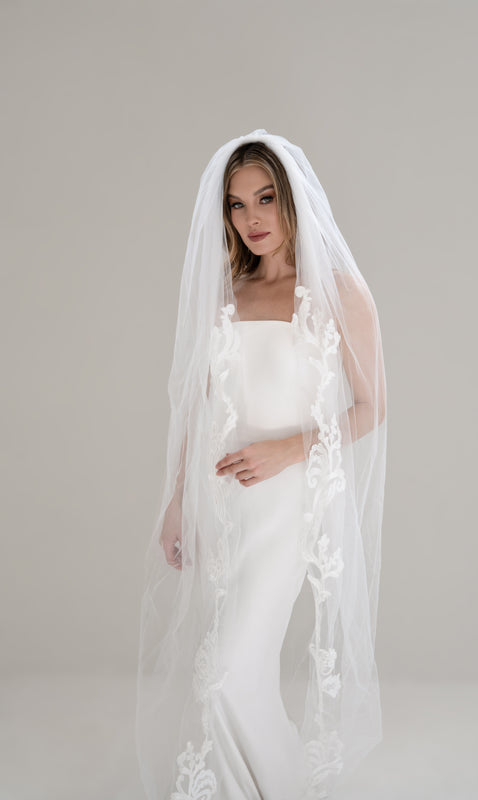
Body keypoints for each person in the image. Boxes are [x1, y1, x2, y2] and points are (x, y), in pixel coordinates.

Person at [136, 129, 387, 800]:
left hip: (290, 503)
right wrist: (177, 499)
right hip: (226, 502)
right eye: (237, 204)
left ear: (293, 199)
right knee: (222, 672)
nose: (251, 218)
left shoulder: (338, 292)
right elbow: (200, 406)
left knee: (229, 671)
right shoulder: (227, 292)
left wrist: (289, 448)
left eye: (266, 198)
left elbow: (371, 407)